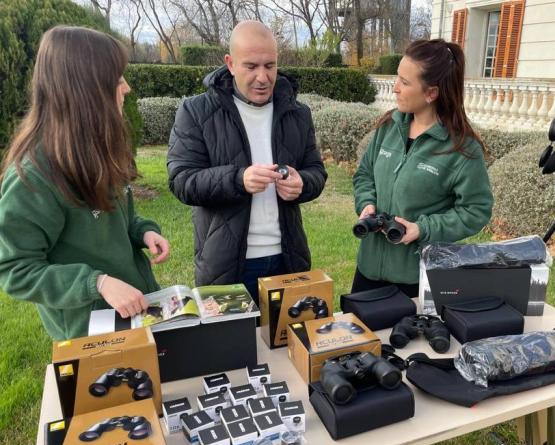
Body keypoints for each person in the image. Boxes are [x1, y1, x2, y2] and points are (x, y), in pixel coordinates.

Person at [0, 26, 170, 341]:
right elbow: (15, 270)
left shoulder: (96, 148)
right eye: (118, 80)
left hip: (137, 314)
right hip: (90, 334)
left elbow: (120, 216)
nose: (127, 88)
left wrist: (142, 230)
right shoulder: (34, 176)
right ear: (87, 91)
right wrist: (98, 283)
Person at [168, 21, 327, 305]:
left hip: (288, 259)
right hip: (225, 265)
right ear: (230, 63)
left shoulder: (297, 112)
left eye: (270, 66)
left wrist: (302, 184)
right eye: (251, 67)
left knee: (287, 345)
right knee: (232, 348)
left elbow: (316, 171)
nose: (263, 77)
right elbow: (182, 181)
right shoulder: (195, 111)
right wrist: (237, 180)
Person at [352, 39, 494, 297]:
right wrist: (366, 203)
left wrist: (424, 229)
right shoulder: (388, 128)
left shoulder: (462, 149)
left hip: (416, 282)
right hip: (367, 273)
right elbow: (364, 175)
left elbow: (476, 210)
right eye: (398, 78)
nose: (395, 88)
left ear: (431, 93)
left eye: (405, 83)